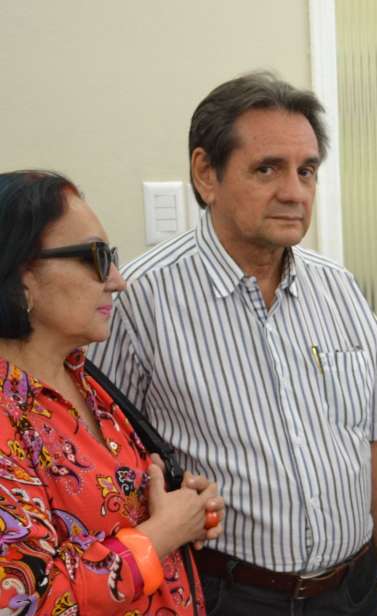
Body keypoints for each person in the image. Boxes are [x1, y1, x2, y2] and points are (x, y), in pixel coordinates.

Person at [87, 73, 377, 615]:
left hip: (353, 592)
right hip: (229, 597)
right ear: (206, 174)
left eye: (306, 171)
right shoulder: (138, 299)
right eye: (267, 169)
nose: (294, 192)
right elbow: (101, 469)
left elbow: (371, 442)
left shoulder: (340, 289)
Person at [0, 170, 224, 614]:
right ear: (24, 274)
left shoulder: (84, 378)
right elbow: (28, 602)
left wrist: (184, 506)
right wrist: (164, 532)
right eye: (96, 258)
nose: (119, 280)